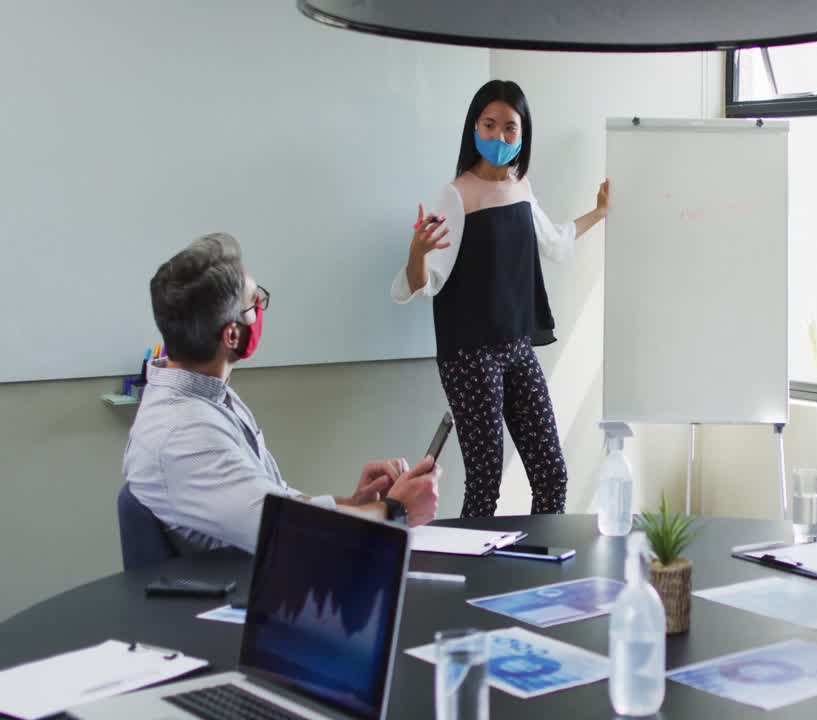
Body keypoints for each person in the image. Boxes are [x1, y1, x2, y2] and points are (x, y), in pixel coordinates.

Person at [126, 233, 440, 553]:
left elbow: (271, 500)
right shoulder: (185, 432)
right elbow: (285, 530)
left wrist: (353, 503)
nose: (261, 309)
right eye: (254, 302)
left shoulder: (207, 397)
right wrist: (395, 511)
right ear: (232, 334)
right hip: (246, 591)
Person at [391, 79, 609, 517]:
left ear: (523, 135)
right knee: (486, 480)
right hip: (468, 354)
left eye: (510, 128)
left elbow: (556, 242)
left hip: (515, 345)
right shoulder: (456, 195)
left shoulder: (521, 186)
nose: (499, 136)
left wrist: (599, 213)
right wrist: (416, 252)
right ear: (474, 127)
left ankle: (541, 569)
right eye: (489, 125)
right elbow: (422, 283)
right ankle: (478, 580)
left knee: (552, 472)